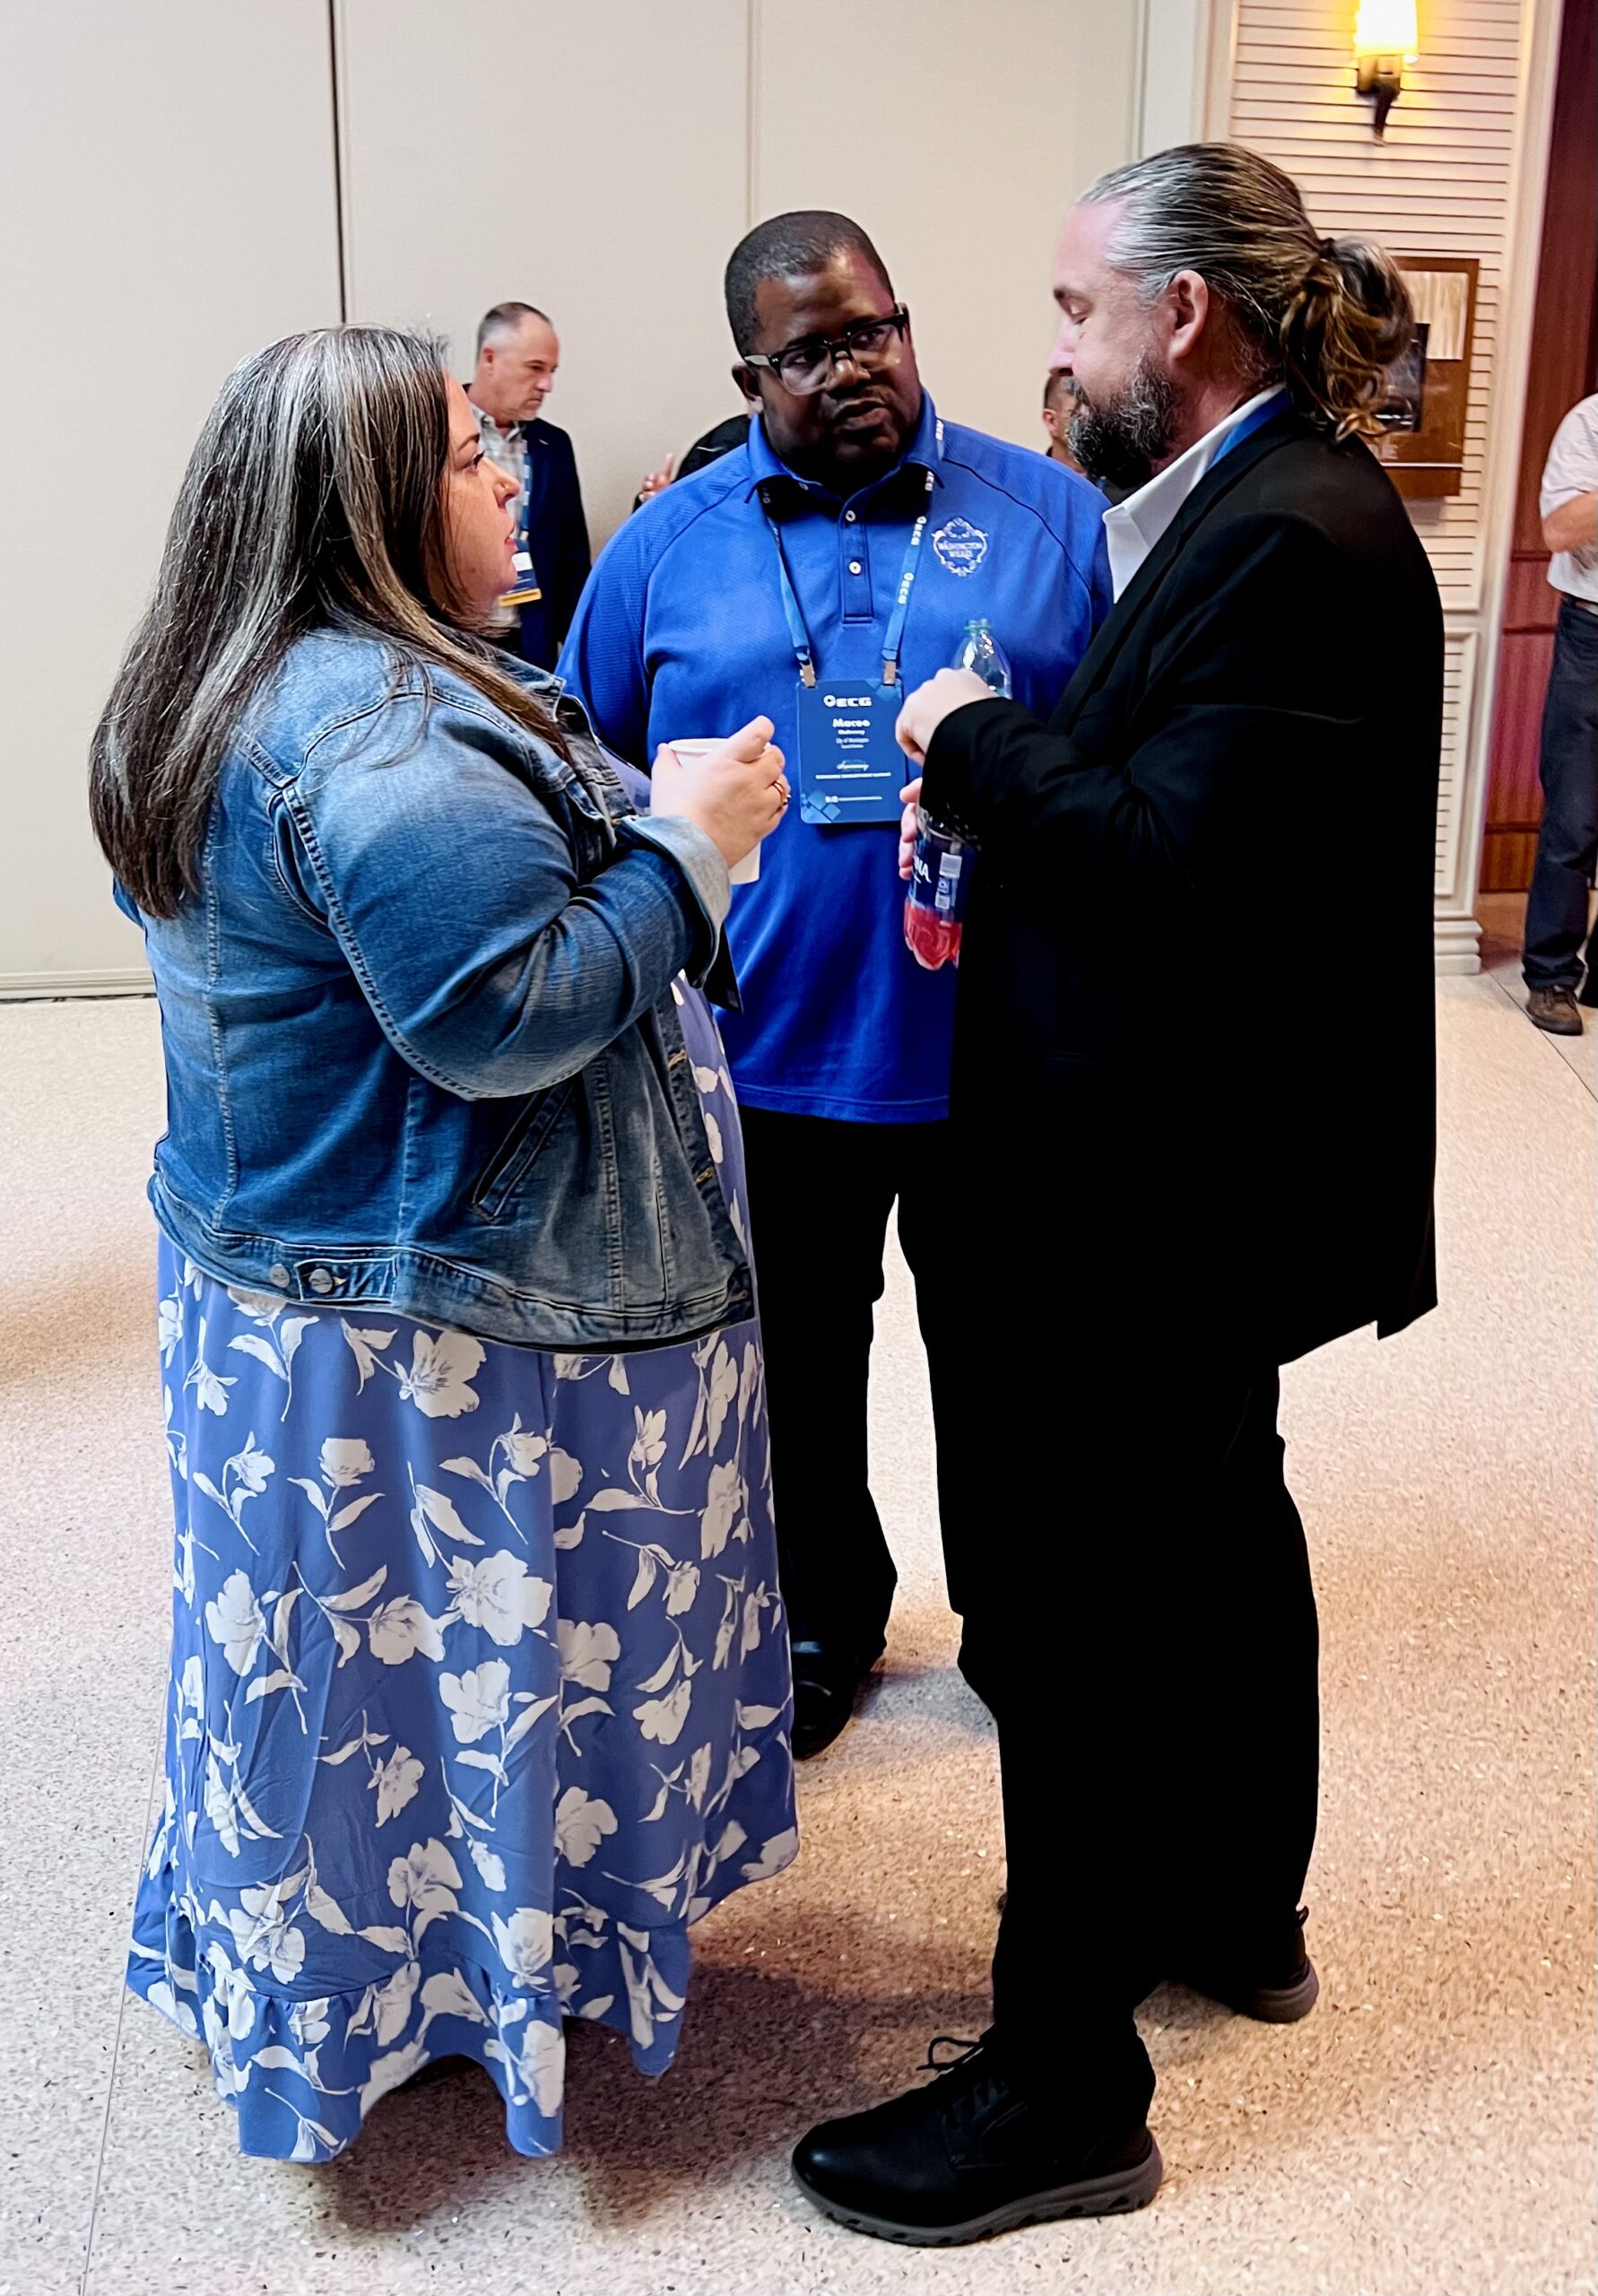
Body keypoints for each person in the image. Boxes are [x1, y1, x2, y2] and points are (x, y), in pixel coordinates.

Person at [791, 144, 1441, 2244]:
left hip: (1164, 1188)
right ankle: (1232, 1905)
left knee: (1077, 1615)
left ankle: (1061, 2085)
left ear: (1184, 314)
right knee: (1221, 1533)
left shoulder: (1295, 534)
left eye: (1077, 306)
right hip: (1193, 1162)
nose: (1053, 348)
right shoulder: (1249, 504)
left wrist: (970, 734)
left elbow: (1171, 863)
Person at [90, 325, 797, 2162]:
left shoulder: (241, 672)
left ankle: (404, 1970)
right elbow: (503, 1013)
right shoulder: (377, 730)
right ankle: (474, 1980)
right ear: (375, 504)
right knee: (459, 1678)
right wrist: (691, 847)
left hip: (315, 1292)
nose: (508, 477)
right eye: (473, 454)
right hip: (434, 1333)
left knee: (351, 1693)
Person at [560, 211, 1111, 1760]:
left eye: (875, 330)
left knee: (1008, 1365)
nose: (856, 367)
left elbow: (1127, 764)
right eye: (810, 352)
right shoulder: (666, 547)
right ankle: (820, 1621)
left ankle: (1017, 1618)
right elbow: (581, 767)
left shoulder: (1050, 516)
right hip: (769, 1053)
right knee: (797, 1370)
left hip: (1001, 1049)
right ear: (749, 375)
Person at [1521, 390, 1598, 1034]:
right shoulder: (1589, 423)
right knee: (1574, 815)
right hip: (1593, 636)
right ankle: (1550, 976)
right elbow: (1560, 530)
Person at [466, 300, 591, 669]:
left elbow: (571, 560)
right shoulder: (437, 431)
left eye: (551, 371)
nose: (546, 385)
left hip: (527, 647)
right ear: (490, 359)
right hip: (454, 642)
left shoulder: (554, 446)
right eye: (535, 368)